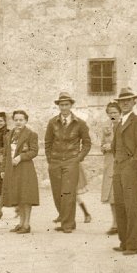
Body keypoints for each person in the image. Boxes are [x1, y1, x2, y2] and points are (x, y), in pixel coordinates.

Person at [45, 92, 92, 234]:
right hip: (55, 161)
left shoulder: (80, 123)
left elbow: (87, 143)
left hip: (71, 161)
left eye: (66, 104)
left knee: (68, 193)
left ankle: (67, 224)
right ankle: (65, 220)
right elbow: (47, 142)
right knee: (57, 193)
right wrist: (50, 159)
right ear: (58, 106)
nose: (64, 107)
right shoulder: (52, 122)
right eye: (61, 105)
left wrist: (78, 158)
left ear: (71, 105)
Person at [111, 87, 137, 255]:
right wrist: (118, 165)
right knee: (120, 205)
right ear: (119, 104)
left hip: (132, 169)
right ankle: (124, 241)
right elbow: (115, 147)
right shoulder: (119, 123)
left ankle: (134, 245)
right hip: (118, 168)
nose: (125, 103)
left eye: (129, 100)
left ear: (134, 102)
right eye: (122, 101)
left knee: (132, 206)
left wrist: (132, 165)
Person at [1, 110, 40, 234]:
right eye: (16, 120)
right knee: (17, 195)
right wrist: (3, 169)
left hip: (25, 169)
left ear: (26, 121)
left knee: (26, 196)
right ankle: (21, 223)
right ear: (13, 120)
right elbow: (6, 154)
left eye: (21, 120)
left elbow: (34, 151)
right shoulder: (8, 135)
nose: (18, 122)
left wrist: (21, 157)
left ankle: (27, 224)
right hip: (12, 169)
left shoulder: (31, 134)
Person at [101, 101, 121, 235]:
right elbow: (102, 143)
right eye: (110, 113)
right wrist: (104, 147)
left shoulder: (123, 125)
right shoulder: (106, 127)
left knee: (120, 194)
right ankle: (115, 223)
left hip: (120, 162)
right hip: (109, 163)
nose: (112, 115)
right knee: (111, 195)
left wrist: (112, 147)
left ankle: (122, 223)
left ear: (120, 113)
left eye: (115, 112)